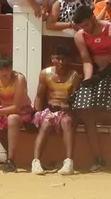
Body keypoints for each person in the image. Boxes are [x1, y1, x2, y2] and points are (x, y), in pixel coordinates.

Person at [70, 4, 111, 173]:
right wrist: (88, 80)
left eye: (86, 25)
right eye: (81, 27)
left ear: (93, 18)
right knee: (86, 114)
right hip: (95, 73)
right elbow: (86, 60)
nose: (84, 29)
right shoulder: (80, 35)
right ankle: (98, 158)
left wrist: (103, 74)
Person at [31, 42, 79, 176]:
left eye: (64, 59)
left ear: (69, 60)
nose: (61, 62)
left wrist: (68, 108)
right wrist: (38, 113)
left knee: (67, 122)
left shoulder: (74, 76)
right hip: (50, 110)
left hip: (67, 111)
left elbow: (75, 100)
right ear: (52, 58)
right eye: (58, 58)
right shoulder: (45, 74)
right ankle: (36, 162)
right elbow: (40, 96)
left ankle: (69, 162)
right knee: (46, 123)